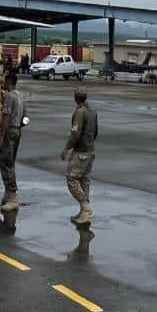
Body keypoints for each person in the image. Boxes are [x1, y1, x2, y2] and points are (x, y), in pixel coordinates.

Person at [61, 85, 98, 224]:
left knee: (72, 179)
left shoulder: (80, 112)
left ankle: (86, 207)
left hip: (81, 152)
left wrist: (66, 149)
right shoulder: (92, 111)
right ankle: (84, 211)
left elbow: (75, 134)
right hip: (90, 150)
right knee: (84, 180)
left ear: (75, 98)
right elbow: (96, 131)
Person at [0, 71, 24, 212]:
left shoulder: (9, 97)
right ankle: (8, 194)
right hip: (17, 130)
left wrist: (1, 136)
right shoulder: (19, 95)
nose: (3, 84)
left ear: (9, 82)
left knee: (6, 164)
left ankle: (12, 197)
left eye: (5, 81)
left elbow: (5, 118)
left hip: (10, 131)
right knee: (9, 162)